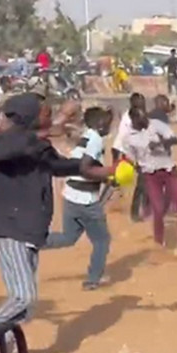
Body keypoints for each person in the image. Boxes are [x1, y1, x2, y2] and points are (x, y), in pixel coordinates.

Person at [0, 93, 109, 353]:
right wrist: (53, 127)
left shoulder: (33, 143)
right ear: (29, 116)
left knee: (23, 306)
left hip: (29, 229)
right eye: (45, 112)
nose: (50, 114)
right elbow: (10, 150)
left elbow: (55, 164)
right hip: (10, 228)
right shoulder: (10, 141)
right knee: (24, 298)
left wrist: (94, 168)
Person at [43, 107, 115, 291]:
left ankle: (35, 242)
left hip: (69, 196)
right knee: (102, 241)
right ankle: (92, 279)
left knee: (68, 237)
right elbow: (85, 168)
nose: (109, 126)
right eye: (107, 122)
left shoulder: (86, 135)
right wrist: (109, 173)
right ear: (100, 125)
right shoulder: (96, 140)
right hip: (85, 200)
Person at [122, 108, 177, 258]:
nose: (145, 121)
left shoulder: (156, 125)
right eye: (141, 119)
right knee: (158, 209)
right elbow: (131, 158)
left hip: (169, 170)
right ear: (134, 121)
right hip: (150, 174)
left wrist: (160, 143)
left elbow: (175, 139)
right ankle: (158, 243)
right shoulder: (129, 138)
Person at [112, 93, 150, 221]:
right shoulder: (130, 119)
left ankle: (144, 209)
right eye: (141, 103)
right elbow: (126, 138)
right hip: (123, 150)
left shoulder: (137, 115)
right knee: (118, 180)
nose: (143, 105)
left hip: (134, 153)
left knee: (143, 183)